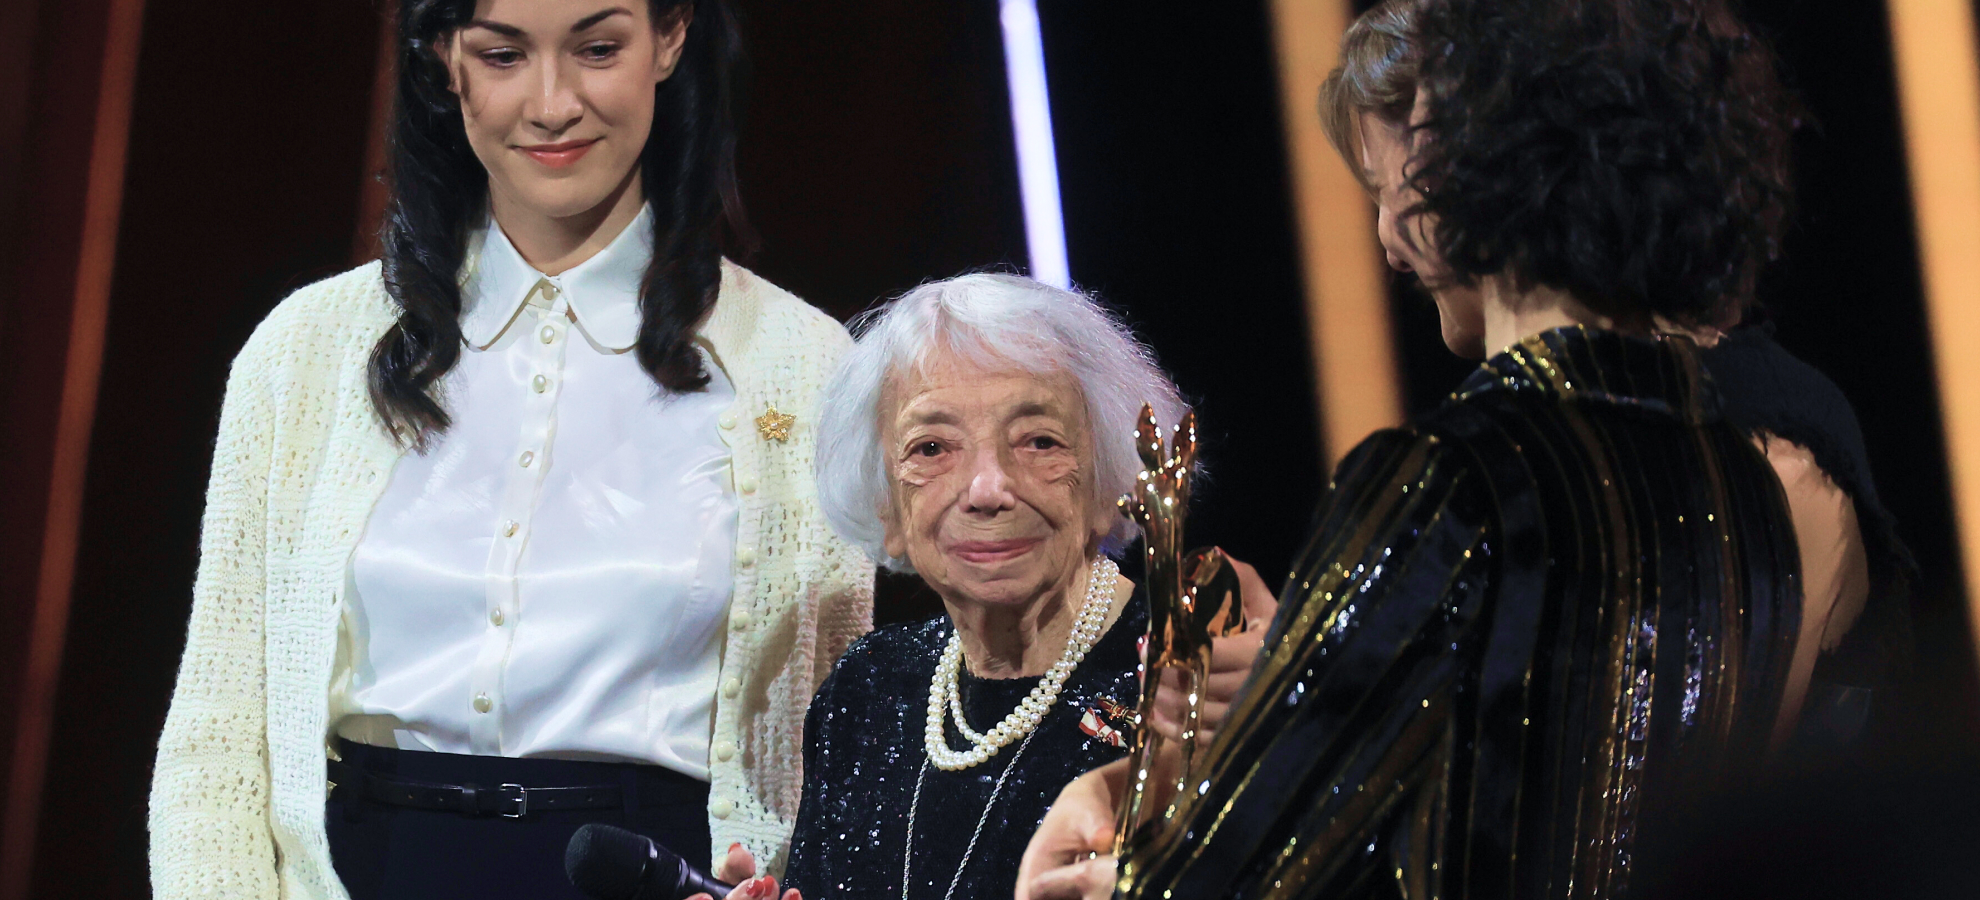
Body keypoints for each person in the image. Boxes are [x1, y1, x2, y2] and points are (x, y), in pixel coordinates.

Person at [1018, 0, 1810, 896]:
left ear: (1479, 161)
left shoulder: (1452, 478)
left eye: (1397, 176)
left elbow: (1245, 872)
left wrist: (1109, 878)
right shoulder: (1743, 482)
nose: (1388, 229)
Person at [146, 1, 872, 897]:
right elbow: (218, 734)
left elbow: (842, 747)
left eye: (598, 48)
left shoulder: (802, 367)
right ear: (445, 60)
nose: (552, 102)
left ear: (671, 38)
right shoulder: (304, 352)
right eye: (502, 55)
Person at [682, 273, 1274, 900]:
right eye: (932, 447)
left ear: (1108, 485)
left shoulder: (1184, 675)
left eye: (1039, 441)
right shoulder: (868, 690)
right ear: (887, 509)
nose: (988, 489)